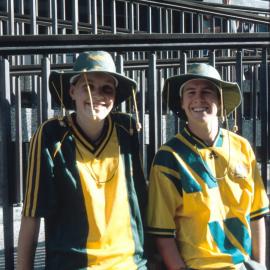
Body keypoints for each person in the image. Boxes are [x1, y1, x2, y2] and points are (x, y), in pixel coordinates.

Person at [17, 51, 148, 269]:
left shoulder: (127, 131)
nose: (96, 94)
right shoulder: (51, 135)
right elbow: (32, 213)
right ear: (72, 91)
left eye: (107, 88)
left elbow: (141, 201)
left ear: (114, 97)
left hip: (128, 264)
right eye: (87, 86)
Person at [146, 63, 269, 269]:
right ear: (182, 103)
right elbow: (162, 232)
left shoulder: (242, 147)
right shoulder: (169, 157)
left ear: (220, 101)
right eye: (191, 92)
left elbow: (257, 215)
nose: (198, 98)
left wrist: (260, 264)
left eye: (207, 91)